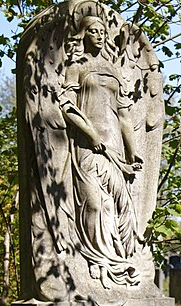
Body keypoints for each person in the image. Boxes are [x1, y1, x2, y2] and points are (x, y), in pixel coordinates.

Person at [59, 15, 142, 289]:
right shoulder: (77, 67)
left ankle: (119, 262)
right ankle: (99, 260)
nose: (100, 36)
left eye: (102, 32)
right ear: (83, 35)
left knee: (121, 208)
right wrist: (91, 135)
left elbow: (124, 116)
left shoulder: (112, 69)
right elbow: (68, 107)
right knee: (96, 204)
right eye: (93, 31)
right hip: (88, 146)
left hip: (115, 147)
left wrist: (133, 152)